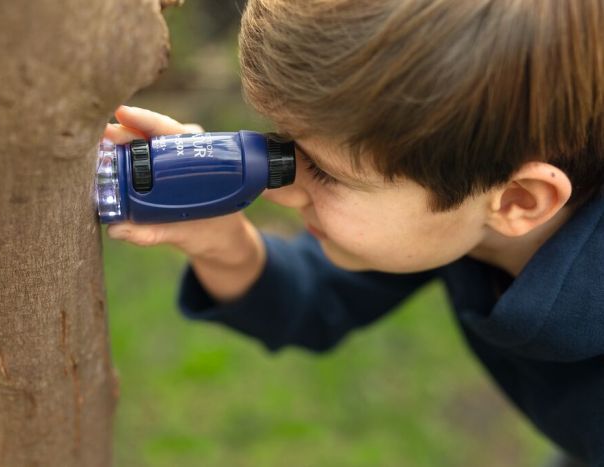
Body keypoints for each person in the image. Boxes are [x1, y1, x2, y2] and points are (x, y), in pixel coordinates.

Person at [104, 0, 604, 464]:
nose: (280, 189)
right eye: (282, 146)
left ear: (519, 200)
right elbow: (317, 299)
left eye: (323, 172)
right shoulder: (459, 215)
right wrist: (221, 242)